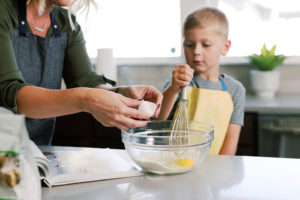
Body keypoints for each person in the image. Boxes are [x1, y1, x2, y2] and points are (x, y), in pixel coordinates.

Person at [0, 0, 163, 145]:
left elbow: (85, 81)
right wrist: (86, 99)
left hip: (38, 149)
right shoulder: (4, 11)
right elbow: (11, 95)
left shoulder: (66, 23)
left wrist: (122, 92)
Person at [158, 7, 245, 155]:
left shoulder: (235, 90)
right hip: (175, 165)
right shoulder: (178, 83)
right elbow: (158, 121)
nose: (197, 51)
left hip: (215, 169)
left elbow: (229, 146)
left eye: (206, 45)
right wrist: (173, 89)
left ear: (225, 47)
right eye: (189, 45)